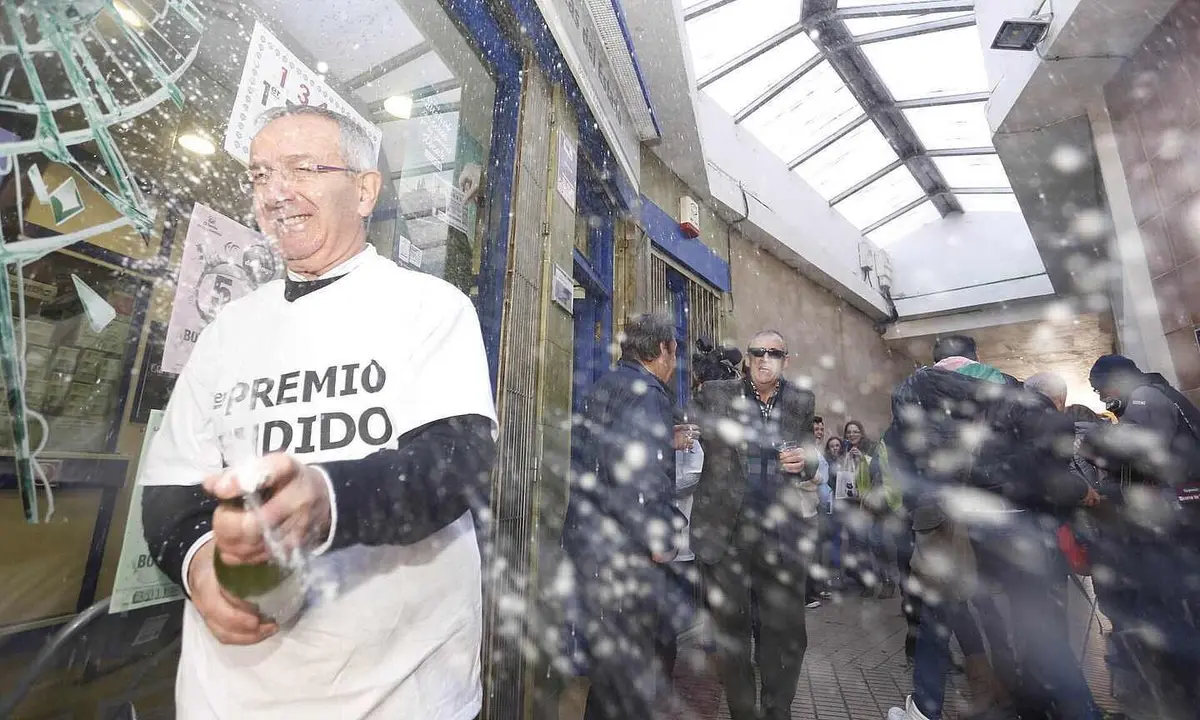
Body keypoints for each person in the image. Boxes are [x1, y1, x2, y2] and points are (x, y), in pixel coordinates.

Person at [140, 106, 498, 719]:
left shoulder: (429, 307)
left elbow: (456, 463)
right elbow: (170, 483)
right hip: (225, 698)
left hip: (399, 695)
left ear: (364, 190)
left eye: (304, 168)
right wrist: (197, 562)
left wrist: (327, 499)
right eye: (260, 175)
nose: (276, 193)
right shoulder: (228, 330)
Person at [885, 341, 1098, 720]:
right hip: (1010, 519)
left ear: (937, 362)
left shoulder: (914, 392)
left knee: (937, 619)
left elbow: (901, 459)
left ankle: (924, 710)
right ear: (976, 357)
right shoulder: (1006, 387)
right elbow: (1045, 453)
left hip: (948, 525)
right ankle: (1079, 710)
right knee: (1037, 624)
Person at [690, 330, 819, 720]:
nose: (765, 359)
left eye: (774, 353)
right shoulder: (715, 394)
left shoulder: (799, 400)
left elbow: (810, 456)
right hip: (726, 532)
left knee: (787, 633)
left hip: (777, 532)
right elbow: (686, 432)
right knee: (731, 634)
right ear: (746, 359)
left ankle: (778, 711)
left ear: (785, 360)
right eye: (757, 353)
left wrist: (805, 462)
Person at [563, 313, 685, 720]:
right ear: (662, 350)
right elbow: (643, 474)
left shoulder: (608, 385)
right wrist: (660, 540)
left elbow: (606, 459)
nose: (674, 362)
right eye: (673, 351)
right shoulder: (648, 394)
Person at [1084, 354, 1200, 716]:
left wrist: (1095, 440)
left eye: (1100, 389)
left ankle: (1189, 691)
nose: (1102, 399)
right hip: (1178, 520)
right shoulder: (1154, 396)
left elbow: (1139, 452)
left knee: (1173, 608)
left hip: (1177, 525)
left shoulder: (1147, 396)